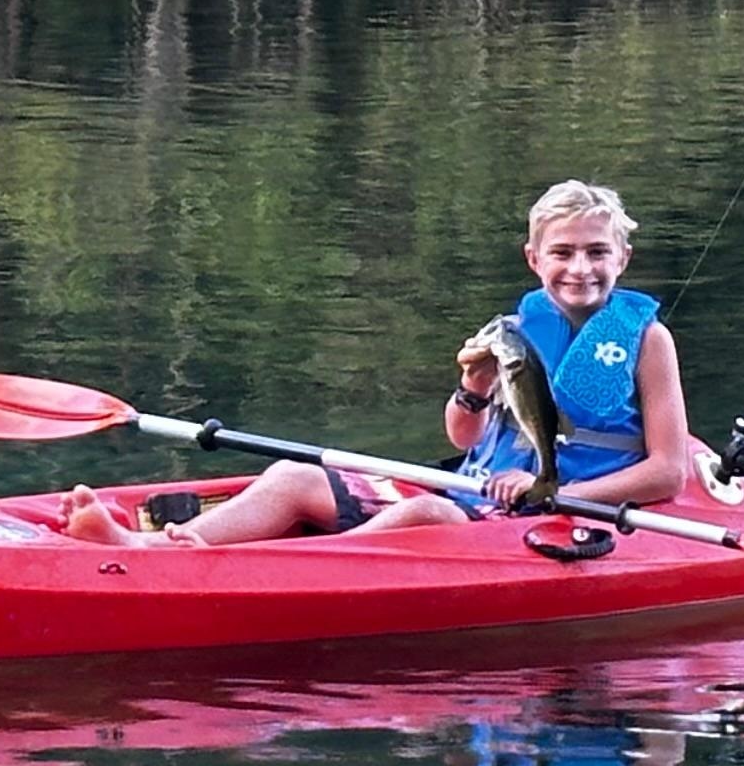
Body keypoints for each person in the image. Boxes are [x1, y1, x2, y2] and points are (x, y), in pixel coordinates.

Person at [59, 179, 700, 546]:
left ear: (622, 259)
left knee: (426, 515)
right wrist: (472, 390)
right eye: (562, 253)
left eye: (596, 253)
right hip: (478, 486)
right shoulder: (513, 331)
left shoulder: (648, 342)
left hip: (559, 507)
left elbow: (668, 472)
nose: (579, 268)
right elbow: (465, 437)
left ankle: (293, 571)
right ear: (534, 260)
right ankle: (155, 548)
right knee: (292, 476)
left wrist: (556, 494)